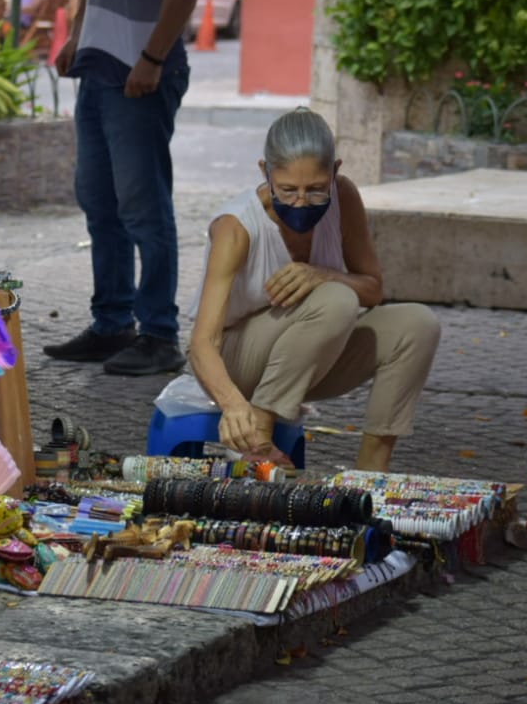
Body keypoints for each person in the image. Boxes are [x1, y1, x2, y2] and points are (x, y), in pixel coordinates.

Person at [188, 109, 441, 471]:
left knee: (418, 323)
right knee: (337, 299)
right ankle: (259, 437)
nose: (301, 202)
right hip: (234, 362)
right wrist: (232, 405)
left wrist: (321, 274)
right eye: (288, 190)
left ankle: (372, 470)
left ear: (335, 173)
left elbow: (372, 290)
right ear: (265, 172)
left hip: (305, 361)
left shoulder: (344, 198)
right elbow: (201, 343)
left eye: (316, 189)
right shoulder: (236, 227)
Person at [42, 0, 203, 376]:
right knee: (100, 203)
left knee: (143, 208)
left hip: (142, 73)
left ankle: (159, 333)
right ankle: (111, 324)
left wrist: (152, 57)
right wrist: (77, 37)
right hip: (98, 68)